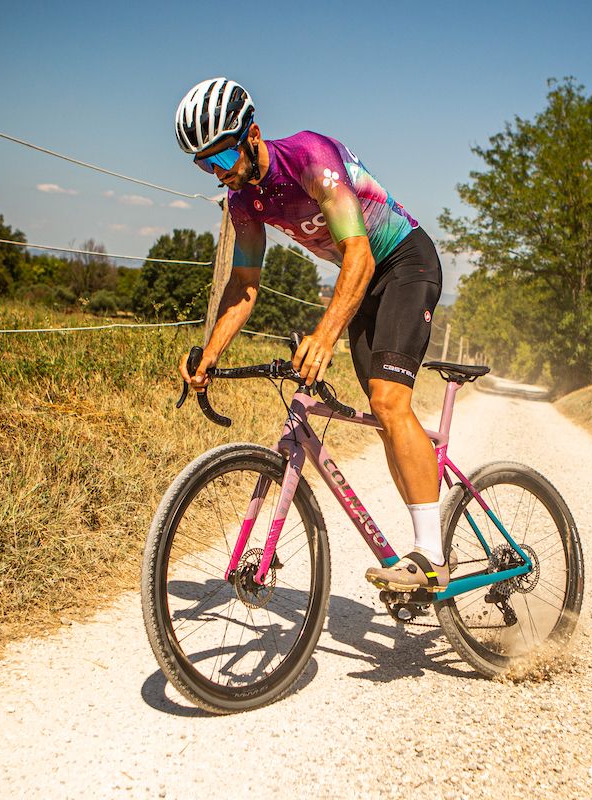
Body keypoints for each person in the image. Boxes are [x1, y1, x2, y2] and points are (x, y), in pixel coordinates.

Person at [174, 77, 449, 592]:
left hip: (403, 261)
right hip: (362, 282)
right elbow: (244, 286)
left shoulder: (309, 156)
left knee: (390, 402)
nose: (217, 173)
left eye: (220, 158)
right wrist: (209, 354)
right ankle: (418, 548)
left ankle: (431, 557)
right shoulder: (243, 203)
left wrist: (324, 335)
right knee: (385, 413)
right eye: (204, 165)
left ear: (251, 134)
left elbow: (360, 254)